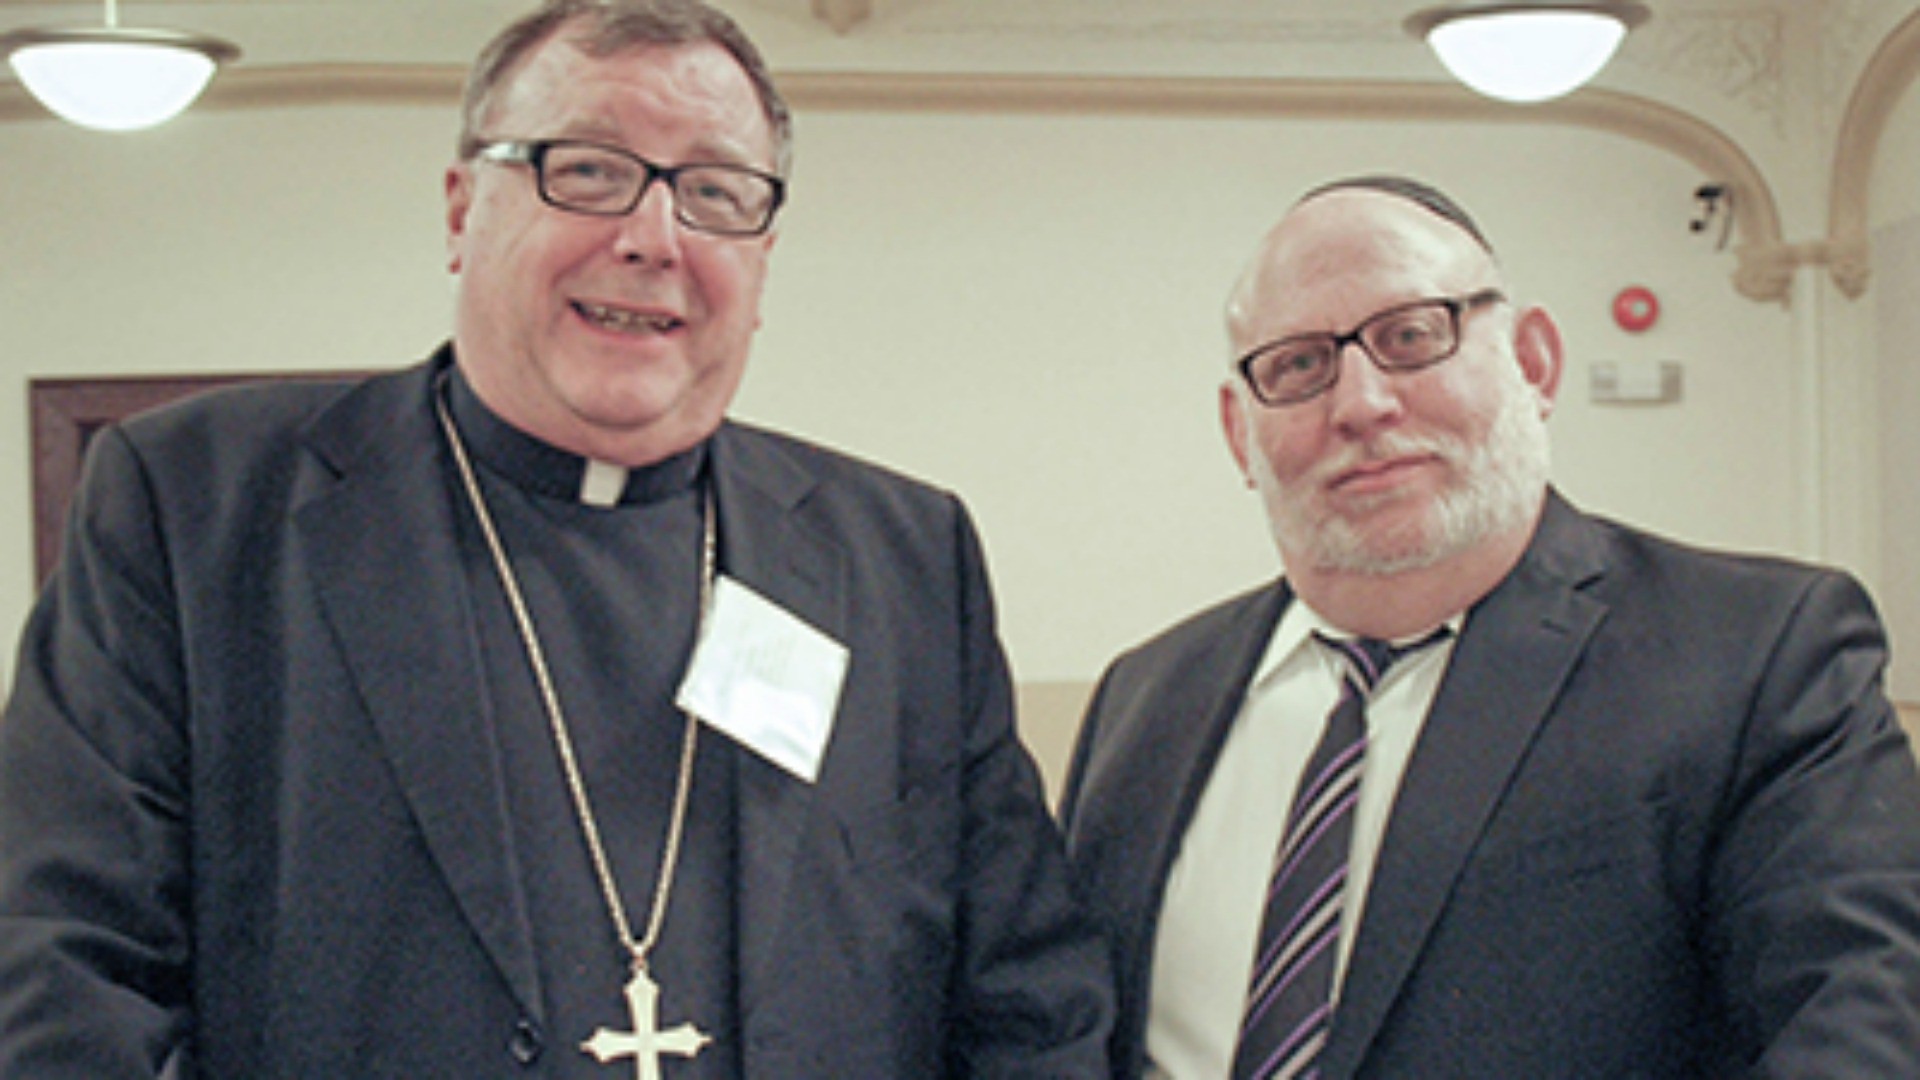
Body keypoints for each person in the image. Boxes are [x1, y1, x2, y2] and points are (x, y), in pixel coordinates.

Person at [0, 1, 1114, 1075]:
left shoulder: (905, 559)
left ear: (765, 259)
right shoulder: (197, 506)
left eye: (718, 191)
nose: (653, 238)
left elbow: (1029, 999)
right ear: (458, 210)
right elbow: (66, 968)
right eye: (586, 169)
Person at [1058, 174, 1920, 1078]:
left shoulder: (1758, 652)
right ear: (1241, 432)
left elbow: (1864, 1023)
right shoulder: (1145, 696)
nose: (1360, 404)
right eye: (1299, 366)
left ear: (1534, 363)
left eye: (1412, 336)